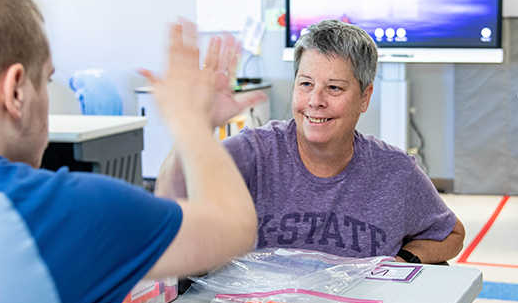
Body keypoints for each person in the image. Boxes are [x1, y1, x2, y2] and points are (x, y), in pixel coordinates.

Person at [0, 0, 256, 303]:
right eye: (46, 81)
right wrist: (192, 120)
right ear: (15, 90)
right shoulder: (48, 213)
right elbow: (233, 223)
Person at [157, 19, 465, 264]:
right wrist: (196, 125)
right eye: (305, 84)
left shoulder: (396, 172)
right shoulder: (254, 152)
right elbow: (170, 206)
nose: (315, 101)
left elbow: (450, 233)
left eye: (334, 88)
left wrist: (404, 260)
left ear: (364, 97)